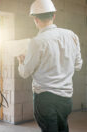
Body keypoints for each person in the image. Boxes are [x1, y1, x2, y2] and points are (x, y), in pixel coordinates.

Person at [17, 0, 83, 132]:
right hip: (66, 99)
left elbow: (25, 73)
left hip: (45, 99)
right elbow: (78, 65)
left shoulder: (37, 42)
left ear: (35, 19)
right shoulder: (72, 35)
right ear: (53, 16)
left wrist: (21, 61)